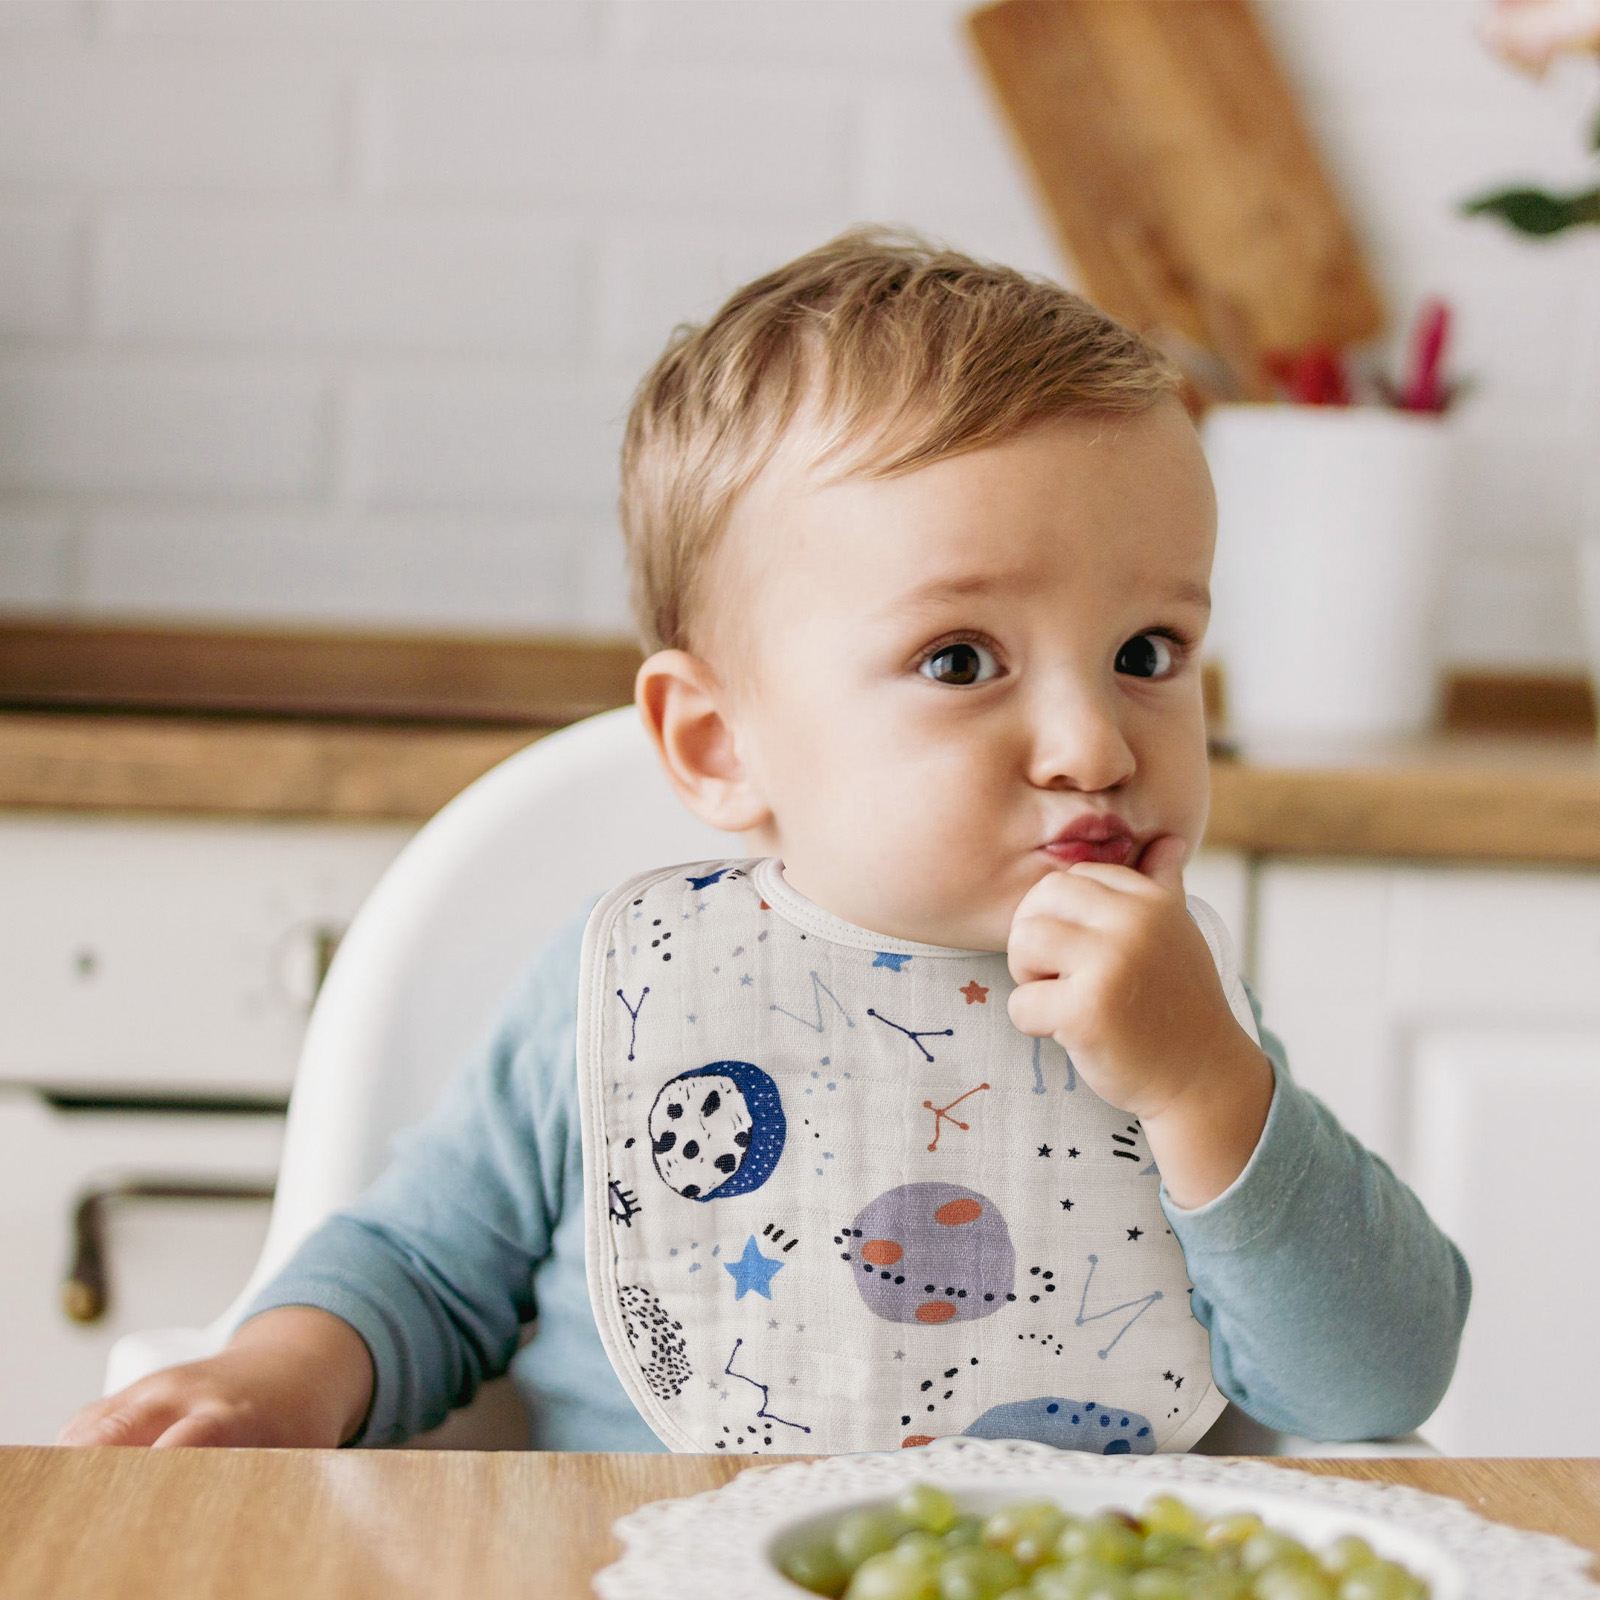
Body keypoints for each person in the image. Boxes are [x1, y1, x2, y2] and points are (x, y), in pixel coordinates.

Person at [58, 231, 1469, 1454]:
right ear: (719, 745)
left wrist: (1211, 1088)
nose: (1097, 745)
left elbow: (1374, 1390)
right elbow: (424, 1271)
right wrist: (275, 1379)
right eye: (965, 658)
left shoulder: (1181, 1021)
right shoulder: (628, 989)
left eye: (1148, 649)